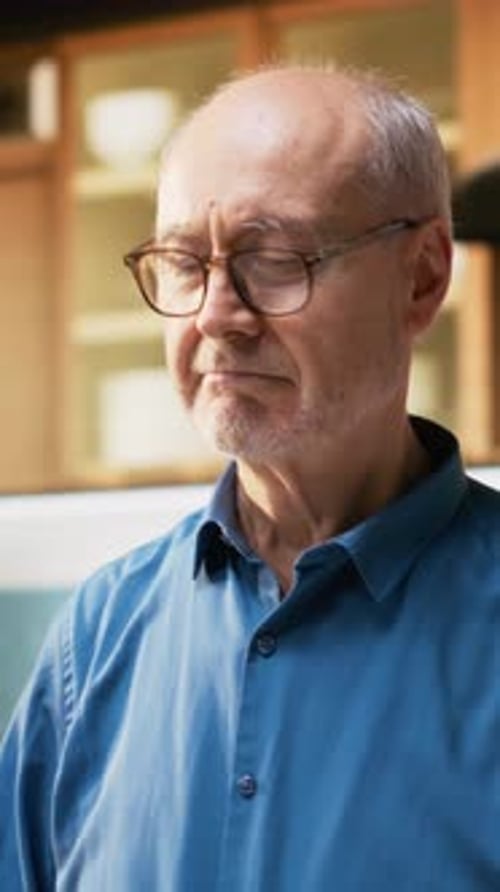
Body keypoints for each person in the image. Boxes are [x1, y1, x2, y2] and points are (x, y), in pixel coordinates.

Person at [1, 63, 499, 891]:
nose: (214, 316)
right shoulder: (95, 640)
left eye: (273, 258)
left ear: (422, 279)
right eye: (183, 263)